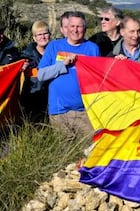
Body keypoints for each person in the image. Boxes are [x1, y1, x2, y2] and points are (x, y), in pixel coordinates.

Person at [37, 11, 99, 139]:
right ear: (67, 28)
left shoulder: (92, 48)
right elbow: (41, 75)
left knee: (92, 148)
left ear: (85, 29)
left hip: (84, 111)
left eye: (79, 26)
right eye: (72, 26)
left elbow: (98, 78)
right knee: (66, 152)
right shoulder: (54, 46)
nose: (75, 30)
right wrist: (62, 65)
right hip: (59, 112)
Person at [21, 20, 52, 121]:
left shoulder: (57, 53)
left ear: (50, 35)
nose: (43, 37)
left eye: (45, 33)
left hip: (52, 101)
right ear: (34, 37)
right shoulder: (25, 57)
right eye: (39, 34)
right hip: (33, 102)